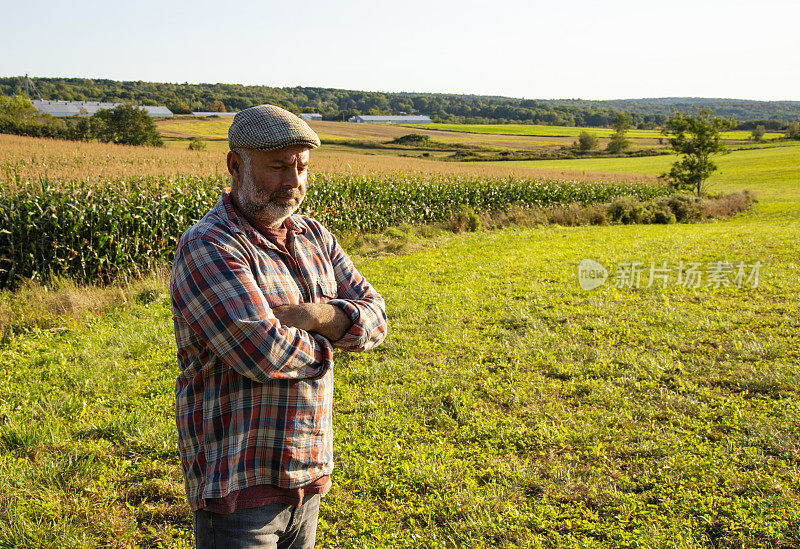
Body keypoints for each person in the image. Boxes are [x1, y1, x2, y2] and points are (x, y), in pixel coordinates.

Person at [170, 104, 388, 548]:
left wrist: (313, 317)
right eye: (278, 167)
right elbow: (260, 351)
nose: (294, 182)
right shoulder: (209, 245)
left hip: (308, 473)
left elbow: (377, 317)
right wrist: (337, 337)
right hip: (238, 487)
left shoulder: (314, 236)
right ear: (236, 164)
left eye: (302, 167)